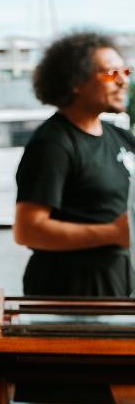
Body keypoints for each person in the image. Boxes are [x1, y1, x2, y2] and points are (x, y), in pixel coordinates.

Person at [14, 32, 135, 297]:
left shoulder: (122, 138)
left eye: (125, 71)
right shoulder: (52, 143)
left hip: (119, 282)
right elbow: (27, 230)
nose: (123, 81)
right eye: (111, 73)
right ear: (76, 81)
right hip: (69, 293)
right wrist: (113, 233)